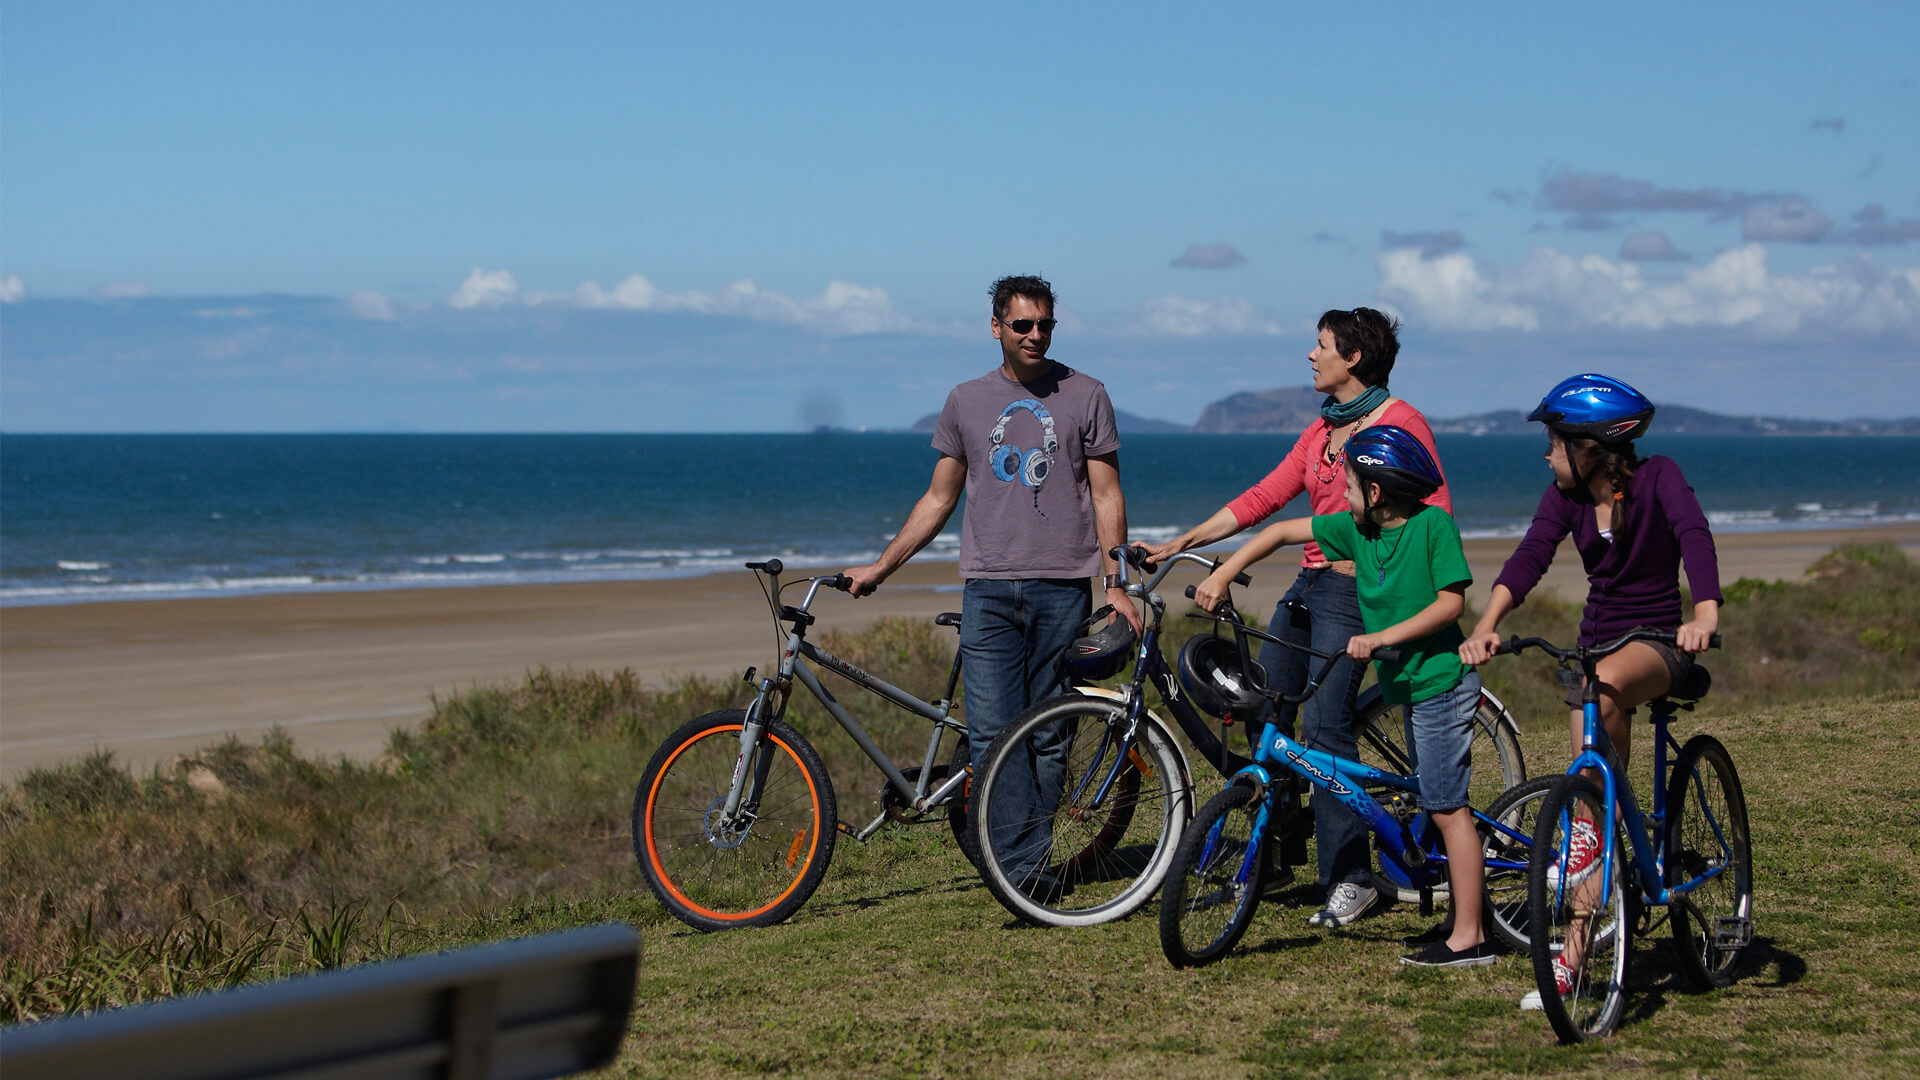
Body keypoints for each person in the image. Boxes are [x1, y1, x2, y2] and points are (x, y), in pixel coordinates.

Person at [1144, 307, 1450, 928]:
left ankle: (1351, 876)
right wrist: (1183, 542)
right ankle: (1276, 851)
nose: (1311, 356)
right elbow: (1264, 498)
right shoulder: (1321, 432)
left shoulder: (1400, 424)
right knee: (1267, 713)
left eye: (1320, 346)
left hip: (1354, 594)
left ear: (1353, 357)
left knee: (1325, 727)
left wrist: (1394, 592)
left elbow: (1432, 516)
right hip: (1308, 585)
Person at [843, 274, 1139, 887]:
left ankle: (1021, 865)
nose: (1035, 335)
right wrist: (881, 566)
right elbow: (937, 499)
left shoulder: (1087, 393)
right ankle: (1023, 873)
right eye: (1023, 324)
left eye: (1045, 325)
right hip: (988, 591)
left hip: (1064, 588)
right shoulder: (965, 401)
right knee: (992, 738)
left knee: (1051, 734)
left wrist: (1118, 583)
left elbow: (1108, 495)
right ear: (997, 326)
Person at [1456, 373, 1722, 1005]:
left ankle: (1598, 843)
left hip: (1659, 644)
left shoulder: (1661, 478)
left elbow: (1695, 537)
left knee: (1598, 696)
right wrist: (1487, 625)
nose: (1546, 455)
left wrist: (1705, 614)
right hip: (1595, 653)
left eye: (1554, 442)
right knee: (1588, 803)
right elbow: (1528, 558)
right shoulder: (1563, 498)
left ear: (1591, 446)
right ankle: (1573, 958)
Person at [1193, 426, 1493, 966]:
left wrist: (1379, 637)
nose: (1340, 493)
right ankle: (1457, 920)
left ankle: (1470, 937)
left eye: (1348, 484)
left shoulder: (1433, 526)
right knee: (1431, 797)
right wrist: (1229, 569)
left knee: (1448, 810)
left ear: (1374, 493)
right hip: (1408, 688)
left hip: (1441, 685)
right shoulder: (1358, 532)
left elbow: (1451, 606)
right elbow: (1284, 531)